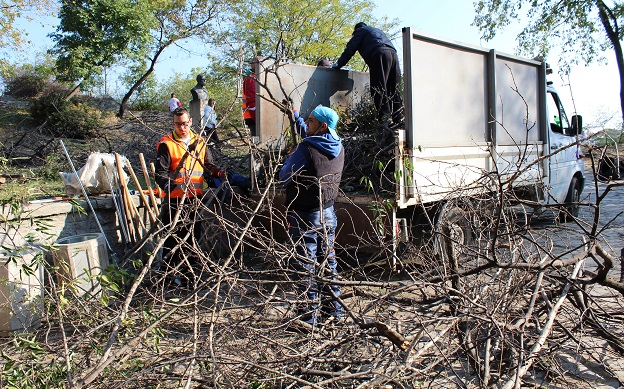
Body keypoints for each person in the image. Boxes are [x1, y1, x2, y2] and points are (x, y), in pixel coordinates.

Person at [279, 104, 345, 326]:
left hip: (305, 214)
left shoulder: (306, 149)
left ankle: (308, 319)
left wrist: (289, 160)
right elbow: (310, 136)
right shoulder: (338, 145)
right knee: (328, 262)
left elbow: (284, 176)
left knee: (305, 265)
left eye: (310, 121)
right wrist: (295, 117)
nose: (306, 124)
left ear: (322, 125)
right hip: (328, 212)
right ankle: (334, 312)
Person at [154, 106, 225, 286]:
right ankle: (167, 279)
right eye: (178, 124)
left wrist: (217, 173)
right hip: (175, 200)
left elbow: (207, 165)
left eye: (185, 124)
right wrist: (167, 184)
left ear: (190, 122)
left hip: (195, 199)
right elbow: (160, 173)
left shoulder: (199, 141)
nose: (182, 128)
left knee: (193, 239)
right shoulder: (167, 143)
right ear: (173, 123)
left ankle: (190, 278)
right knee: (172, 240)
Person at [333, 22, 403, 126]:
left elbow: (350, 49)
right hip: (393, 54)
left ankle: (385, 119)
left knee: (378, 88)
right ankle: (399, 118)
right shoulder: (377, 31)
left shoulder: (360, 31)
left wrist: (339, 64)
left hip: (379, 53)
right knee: (393, 88)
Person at [242, 68, 257, 136]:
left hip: (249, 114)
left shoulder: (249, 78)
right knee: (256, 137)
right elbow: (251, 98)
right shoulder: (251, 79)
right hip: (252, 115)